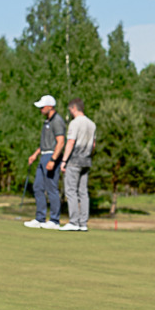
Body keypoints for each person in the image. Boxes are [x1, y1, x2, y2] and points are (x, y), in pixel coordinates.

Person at [24, 95, 66, 230]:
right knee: (38, 187)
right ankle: (40, 218)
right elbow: (44, 144)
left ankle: (54, 220)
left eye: (42, 107)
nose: (41, 109)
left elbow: (61, 142)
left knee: (51, 188)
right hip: (43, 156)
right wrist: (35, 155)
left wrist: (53, 159)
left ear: (50, 106)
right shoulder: (46, 121)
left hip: (51, 156)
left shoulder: (57, 121)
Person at [60, 98, 97, 231]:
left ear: (74, 108)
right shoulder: (92, 124)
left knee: (71, 191)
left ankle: (74, 222)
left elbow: (70, 142)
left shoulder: (75, 123)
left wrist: (64, 161)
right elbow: (93, 145)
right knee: (83, 192)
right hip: (86, 161)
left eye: (70, 110)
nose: (70, 112)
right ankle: (83, 223)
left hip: (74, 160)